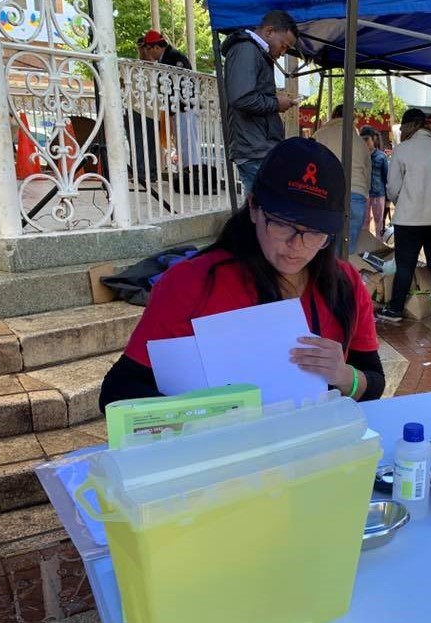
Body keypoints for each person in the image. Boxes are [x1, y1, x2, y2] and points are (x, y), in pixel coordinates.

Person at [99, 138, 385, 407]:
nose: (296, 245)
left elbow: (374, 381)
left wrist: (346, 377)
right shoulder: (192, 283)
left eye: (314, 232)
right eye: (283, 224)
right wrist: (201, 416)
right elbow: (119, 390)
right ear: (253, 207)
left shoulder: (345, 283)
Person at [377, 109, 431, 322]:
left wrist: (403, 201)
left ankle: (395, 309)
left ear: (408, 126)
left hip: (408, 218)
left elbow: (393, 187)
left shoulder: (402, 149)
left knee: (405, 265)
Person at [221, 10, 300, 193]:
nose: (283, 52)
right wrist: (275, 103)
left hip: (259, 148)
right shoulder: (245, 50)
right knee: (265, 212)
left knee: (266, 211)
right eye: (284, 45)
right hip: (253, 149)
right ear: (269, 32)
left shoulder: (256, 53)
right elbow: (241, 97)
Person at [313, 105, 372, 253]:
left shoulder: (320, 135)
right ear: (352, 120)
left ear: (333, 116)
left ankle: (325, 275)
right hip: (357, 197)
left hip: (326, 195)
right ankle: (341, 275)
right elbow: (367, 176)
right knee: (347, 252)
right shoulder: (360, 143)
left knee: (322, 250)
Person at [139, 30, 201, 168]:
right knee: (183, 142)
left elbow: (178, 85)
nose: (149, 53)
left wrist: (172, 111)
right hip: (180, 107)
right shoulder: (167, 58)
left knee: (188, 142)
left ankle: (193, 172)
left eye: (149, 49)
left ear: (156, 47)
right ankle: (189, 171)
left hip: (184, 107)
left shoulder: (172, 58)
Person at [360, 126, 389, 236]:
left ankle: (378, 248)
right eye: (362, 139)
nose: (364, 142)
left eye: (366, 139)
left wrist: (388, 199)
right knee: (364, 224)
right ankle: (365, 248)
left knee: (379, 224)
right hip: (364, 195)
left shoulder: (382, 156)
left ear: (374, 139)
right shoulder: (360, 156)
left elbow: (386, 177)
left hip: (378, 194)